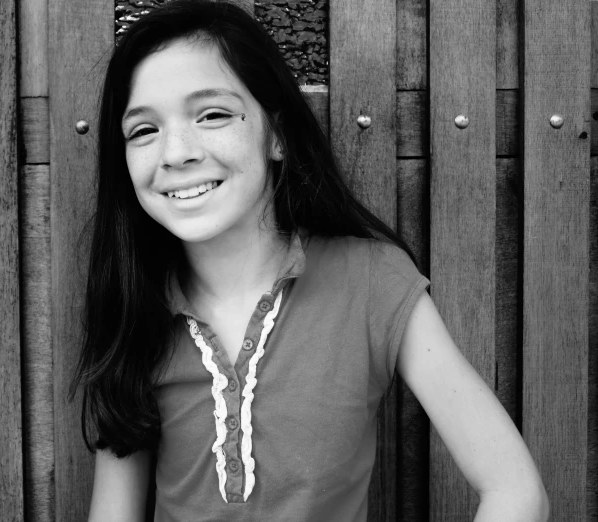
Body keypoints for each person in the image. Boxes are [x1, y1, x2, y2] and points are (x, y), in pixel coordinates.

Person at [73, 1, 549, 520]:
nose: (176, 152)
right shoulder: (132, 306)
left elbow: (516, 491)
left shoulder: (372, 281)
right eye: (144, 130)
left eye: (212, 114)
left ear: (277, 134)